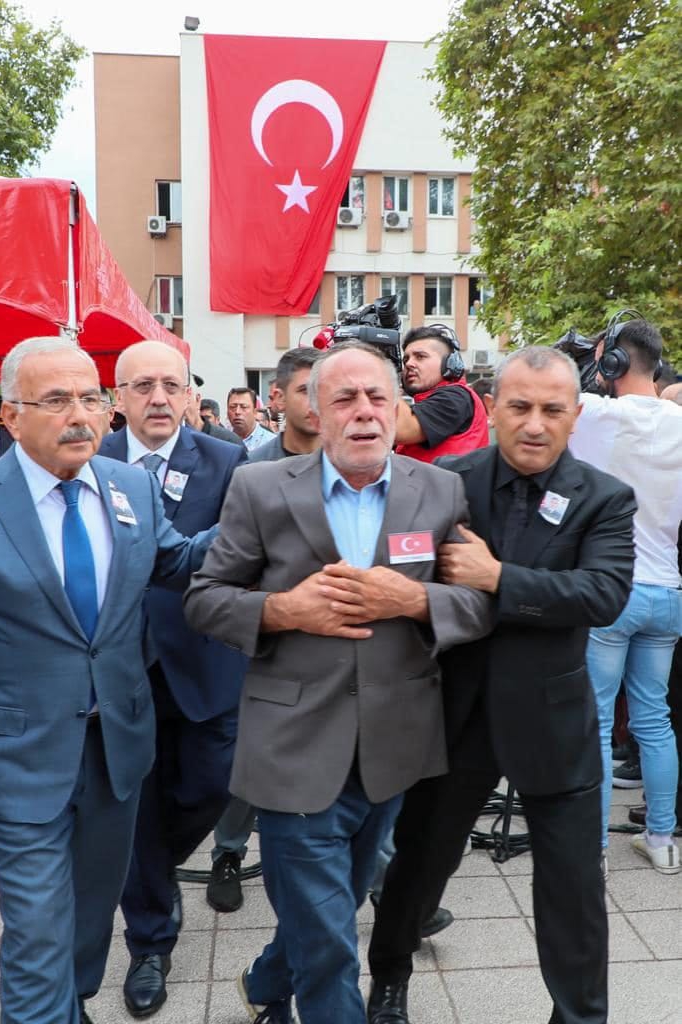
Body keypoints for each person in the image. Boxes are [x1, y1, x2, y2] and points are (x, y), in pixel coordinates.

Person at [0, 336, 214, 1024]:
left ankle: (67, 1005)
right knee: (39, 935)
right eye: (58, 400)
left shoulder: (130, 487)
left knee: (87, 927)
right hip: (17, 759)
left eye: (92, 398)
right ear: (11, 415)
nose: (82, 416)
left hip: (117, 753)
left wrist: (269, 506)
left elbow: (178, 562)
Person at [184, 341, 492, 1024]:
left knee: (331, 905)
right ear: (315, 414)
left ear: (399, 410)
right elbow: (204, 599)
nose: (363, 413)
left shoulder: (438, 491)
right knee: (329, 946)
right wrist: (284, 609)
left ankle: (265, 983)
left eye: (377, 398)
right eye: (344, 399)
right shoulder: (260, 488)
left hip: (394, 747)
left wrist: (411, 602)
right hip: (292, 746)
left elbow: (476, 605)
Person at [367, 346, 636, 1024]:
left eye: (552, 410)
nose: (535, 424)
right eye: (520, 406)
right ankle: (389, 977)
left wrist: (498, 580)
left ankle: (579, 1014)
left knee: (574, 887)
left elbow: (602, 594)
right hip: (455, 717)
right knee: (420, 866)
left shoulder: (604, 497)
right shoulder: (449, 481)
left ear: (575, 418)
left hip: (553, 723)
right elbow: (412, 574)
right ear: (494, 411)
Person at [100, 340, 246, 1018]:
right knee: (133, 805)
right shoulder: (91, 463)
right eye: (143, 386)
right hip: (121, 672)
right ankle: (151, 939)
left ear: (190, 394)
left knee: (211, 786)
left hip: (206, 660)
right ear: (118, 398)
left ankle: (152, 867)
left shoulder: (226, 459)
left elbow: (242, 549)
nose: (158, 398)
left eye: (171, 384)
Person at [207, 346, 323, 916]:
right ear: (277, 397)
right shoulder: (249, 472)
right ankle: (228, 852)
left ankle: (382, 877)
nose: (322, 401)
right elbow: (225, 572)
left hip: (338, 648)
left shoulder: (355, 461)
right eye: (307, 389)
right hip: (267, 639)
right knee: (252, 757)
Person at [567, 317, 682, 873]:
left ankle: (595, 849)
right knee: (654, 719)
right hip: (667, 590)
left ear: (611, 362)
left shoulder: (599, 414)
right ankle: (662, 841)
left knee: (594, 719)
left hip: (613, 589)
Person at [394, 325, 489, 462]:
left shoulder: (455, 397)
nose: (409, 364)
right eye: (406, 359)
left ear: (449, 363)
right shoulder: (429, 402)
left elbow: (400, 428)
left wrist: (383, 376)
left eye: (420, 356)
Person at [227, 387, 274, 452]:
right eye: (233, 407)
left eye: (244, 407)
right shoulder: (221, 439)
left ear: (255, 412)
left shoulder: (271, 442)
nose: (237, 412)